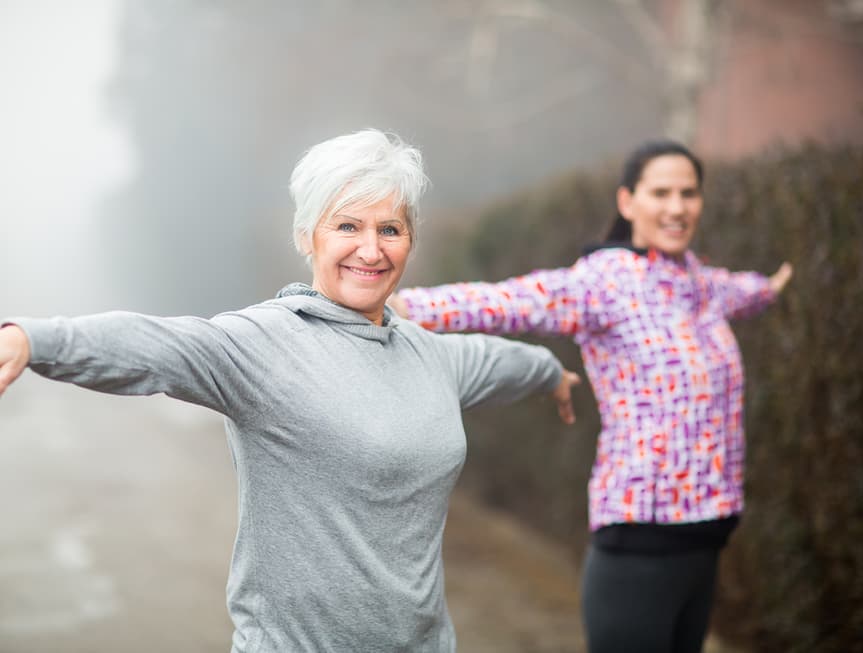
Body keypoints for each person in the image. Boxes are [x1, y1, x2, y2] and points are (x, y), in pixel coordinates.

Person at [0, 129, 580, 652]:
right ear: (307, 235)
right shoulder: (264, 346)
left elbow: (499, 360)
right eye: (347, 226)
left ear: (410, 240)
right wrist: (34, 338)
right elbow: (156, 345)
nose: (371, 249)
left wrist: (552, 375)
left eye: (390, 229)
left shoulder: (430, 354)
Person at [389, 139, 793, 653]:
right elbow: (513, 301)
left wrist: (772, 287)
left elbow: (738, 291)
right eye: (661, 192)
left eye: (689, 193)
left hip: (707, 534)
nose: (677, 207)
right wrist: (404, 306)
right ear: (628, 202)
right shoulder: (606, 283)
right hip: (640, 539)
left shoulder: (697, 281)